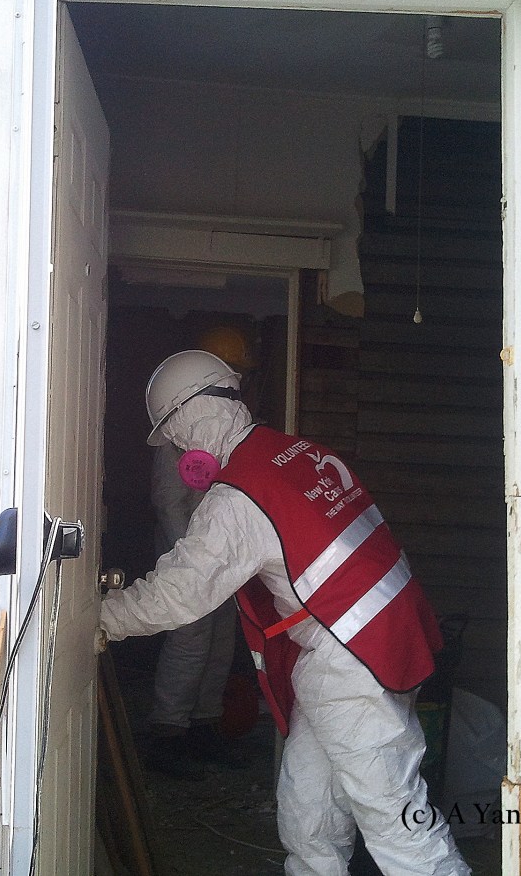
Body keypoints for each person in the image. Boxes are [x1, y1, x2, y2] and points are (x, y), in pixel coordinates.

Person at [99, 350, 470, 876]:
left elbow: (179, 592)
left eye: (177, 433)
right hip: (378, 638)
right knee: (309, 812)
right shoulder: (294, 453)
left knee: (394, 818)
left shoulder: (239, 495)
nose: (181, 448)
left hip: (349, 653)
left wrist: (99, 618)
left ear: (194, 415)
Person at [145, 325, 256, 779]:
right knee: (190, 638)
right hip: (187, 547)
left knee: (222, 634)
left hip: (221, 550)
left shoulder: (225, 424)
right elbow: (168, 502)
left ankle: (206, 724)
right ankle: (168, 731)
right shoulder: (177, 430)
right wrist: (190, 561)